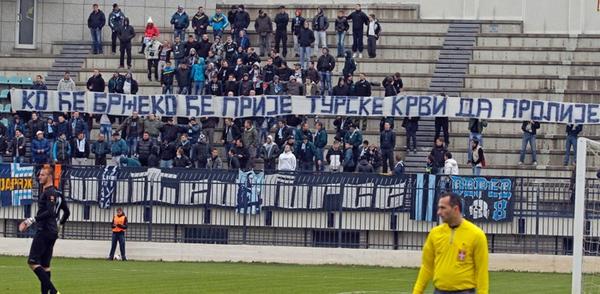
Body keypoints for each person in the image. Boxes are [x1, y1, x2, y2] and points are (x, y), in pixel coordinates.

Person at [413, 192, 489, 294]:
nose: (439, 212)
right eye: (438, 208)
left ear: (455, 209)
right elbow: (427, 266)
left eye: (443, 208)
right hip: (439, 291)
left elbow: (481, 270)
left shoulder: (476, 235)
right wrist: (417, 291)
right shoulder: (435, 234)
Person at [19, 166, 70, 294]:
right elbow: (67, 212)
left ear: (49, 177)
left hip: (44, 230)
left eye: (42, 175)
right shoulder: (58, 193)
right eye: (39, 174)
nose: (39, 177)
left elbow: (50, 211)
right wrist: (60, 224)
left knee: (32, 262)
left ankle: (53, 291)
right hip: (53, 232)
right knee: (45, 266)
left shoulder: (49, 192)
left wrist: (30, 220)